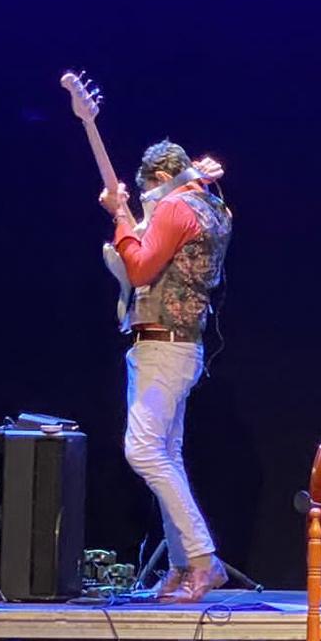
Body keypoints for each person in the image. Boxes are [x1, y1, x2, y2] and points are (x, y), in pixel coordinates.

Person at [97, 141, 233, 603]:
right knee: (166, 454)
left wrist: (120, 217)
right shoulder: (215, 208)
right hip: (179, 346)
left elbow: (139, 269)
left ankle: (202, 559)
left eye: (148, 193)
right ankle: (180, 565)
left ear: (159, 179)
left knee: (142, 450)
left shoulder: (176, 208)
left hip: (164, 347)